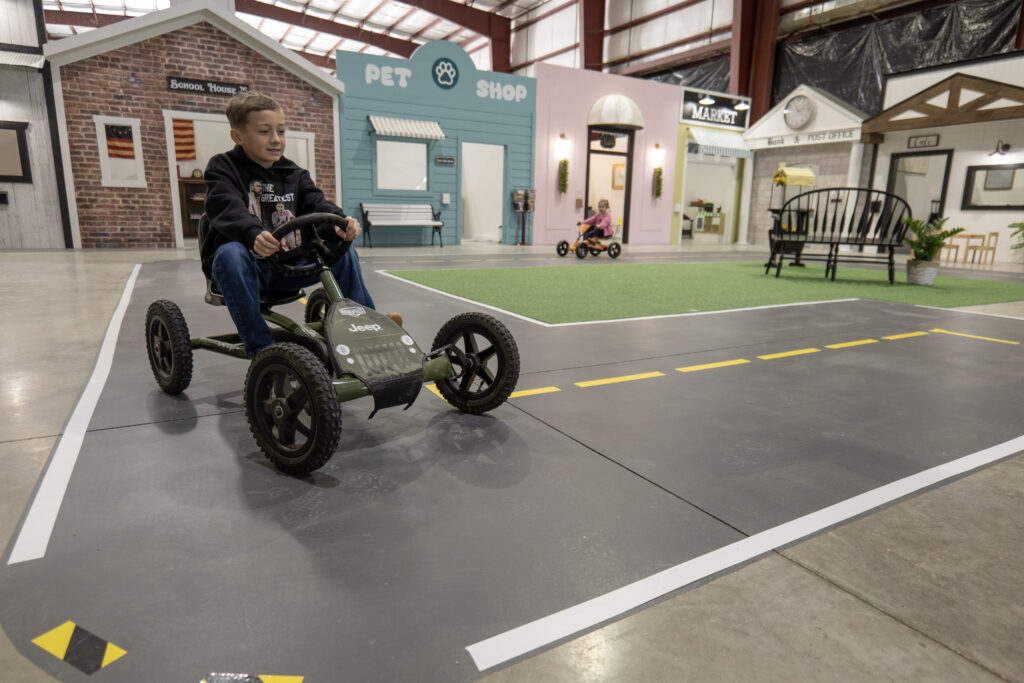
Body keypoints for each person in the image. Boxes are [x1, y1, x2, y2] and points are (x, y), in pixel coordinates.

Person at [201, 91, 398, 358]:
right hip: (246, 272)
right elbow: (226, 206)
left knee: (343, 248)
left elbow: (317, 204)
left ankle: (364, 328)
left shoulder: (293, 174)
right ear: (238, 136)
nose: (275, 140)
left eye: (281, 131)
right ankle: (262, 349)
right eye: (264, 131)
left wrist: (340, 222)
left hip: (286, 267)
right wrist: (253, 233)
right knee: (231, 253)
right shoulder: (223, 168)